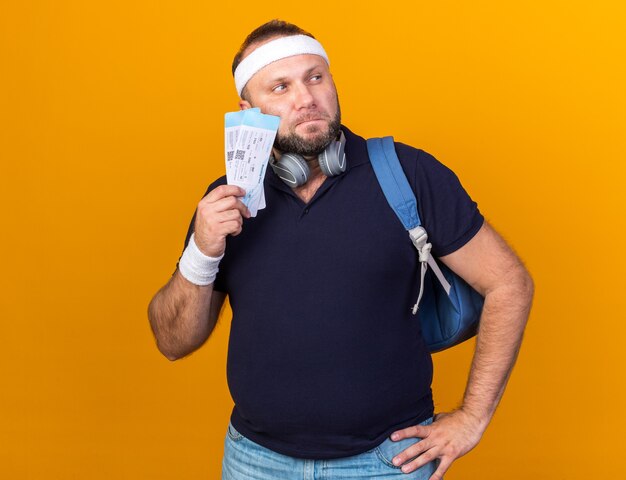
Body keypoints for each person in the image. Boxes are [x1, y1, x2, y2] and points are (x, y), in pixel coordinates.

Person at [148, 19, 534, 480]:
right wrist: (203, 250)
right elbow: (173, 343)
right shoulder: (226, 202)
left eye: (315, 77)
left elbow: (509, 282)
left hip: (388, 462)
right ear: (247, 110)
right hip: (255, 462)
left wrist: (472, 418)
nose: (305, 97)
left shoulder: (407, 175)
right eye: (280, 86)